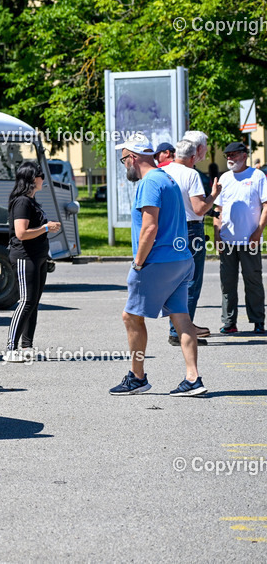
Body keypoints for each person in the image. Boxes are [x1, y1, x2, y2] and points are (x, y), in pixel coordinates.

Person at [110, 139, 205, 397]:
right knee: (181, 318)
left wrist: (138, 262)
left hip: (158, 262)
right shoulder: (167, 179)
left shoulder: (149, 182)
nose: (125, 164)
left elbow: (149, 228)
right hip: (181, 259)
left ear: (135, 157)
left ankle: (137, 376)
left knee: (131, 317)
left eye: (124, 159)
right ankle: (193, 378)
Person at [160, 138, 219, 346]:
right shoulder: (191, 174)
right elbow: (199, 209)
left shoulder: (163, 172)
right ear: (193, 157)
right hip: (190, 230)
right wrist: (213, 195)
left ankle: (175, 328)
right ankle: (181, 331)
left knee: (174, 281)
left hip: (168, 229)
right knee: (191, 281)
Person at [4, 161, 60, 362]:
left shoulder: (31, 201)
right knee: (26, 301)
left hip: (38, 257)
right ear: (32, 179)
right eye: (41, 175)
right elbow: (21, 233)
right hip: (24, 257)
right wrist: (46, 227)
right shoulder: (22, 202)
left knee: (34, 302)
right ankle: (11, 348)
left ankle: (27, 346)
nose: (43, 179)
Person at [214, 141, 267, 335]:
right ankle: (229, 322)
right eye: (228, 155)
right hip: (227, 240)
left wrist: (258, 232)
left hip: (250, 240)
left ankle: (258, 321)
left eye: (234, 155)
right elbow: (218, 209)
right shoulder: (224, 178)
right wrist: (217, 234)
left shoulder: (257, 176)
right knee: (227, 283)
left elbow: (266, 206)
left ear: (244, 156)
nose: (230, 158)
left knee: (253, 281)